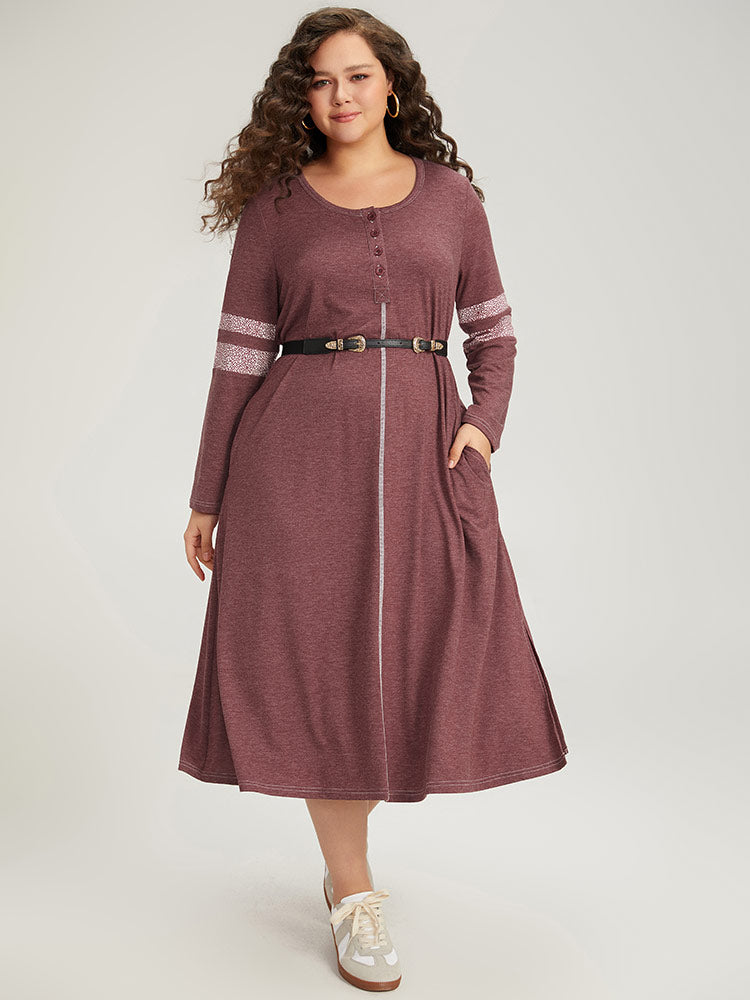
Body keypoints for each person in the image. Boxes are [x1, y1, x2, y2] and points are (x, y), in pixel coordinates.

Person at [178, 7, 569, 992]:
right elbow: (237, 359)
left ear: (393, 84)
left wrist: (484, 426)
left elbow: (495, 333)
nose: (339, 95)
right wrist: (207, 493)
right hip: (293, 466)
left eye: (356, 75)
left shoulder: (451, 199)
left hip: (426, 462)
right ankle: (353, 889)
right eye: (319, 81)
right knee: (320, 664)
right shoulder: (276, 208)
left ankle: (347, 869)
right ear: (301, 97)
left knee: (409, 654)